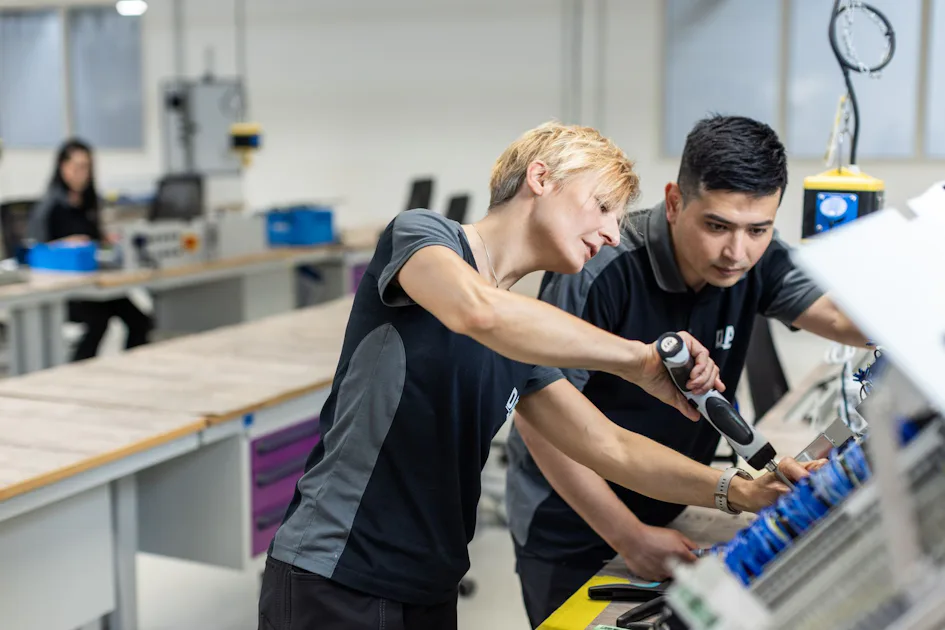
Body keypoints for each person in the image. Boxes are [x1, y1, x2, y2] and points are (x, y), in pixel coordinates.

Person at [256, 121, 817, 630]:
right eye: (601, 207)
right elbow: (478, 311)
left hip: (427, 583)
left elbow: (610, 447)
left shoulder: (521, 332)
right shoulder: (422, 238)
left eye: (620, 220)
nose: (612, 234)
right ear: (541, 178)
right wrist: (634, 358)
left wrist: (742, 492)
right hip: (336, 573)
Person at [505, 115, 869, 628]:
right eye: (716, 226)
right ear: (675, 202)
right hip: (575, 523)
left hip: (667, 506)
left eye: (757, 230)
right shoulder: (600, 267)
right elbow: (539, 421)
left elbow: (841, 317)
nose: (736, 253)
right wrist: (628, 536)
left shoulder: (755, 260)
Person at [28, 139, 153, 361]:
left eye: (87, 167)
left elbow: (95, 239)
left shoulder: (88, 202)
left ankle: (132, 370)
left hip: (95, 285)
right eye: (77, 167)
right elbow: (37, 250)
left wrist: (106, 240)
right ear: (62, 167)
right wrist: (67, 243)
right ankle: (77, 372)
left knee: (140, 320)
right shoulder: (50, 206)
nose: (82, 174)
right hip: (67, 290)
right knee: (99, 320)